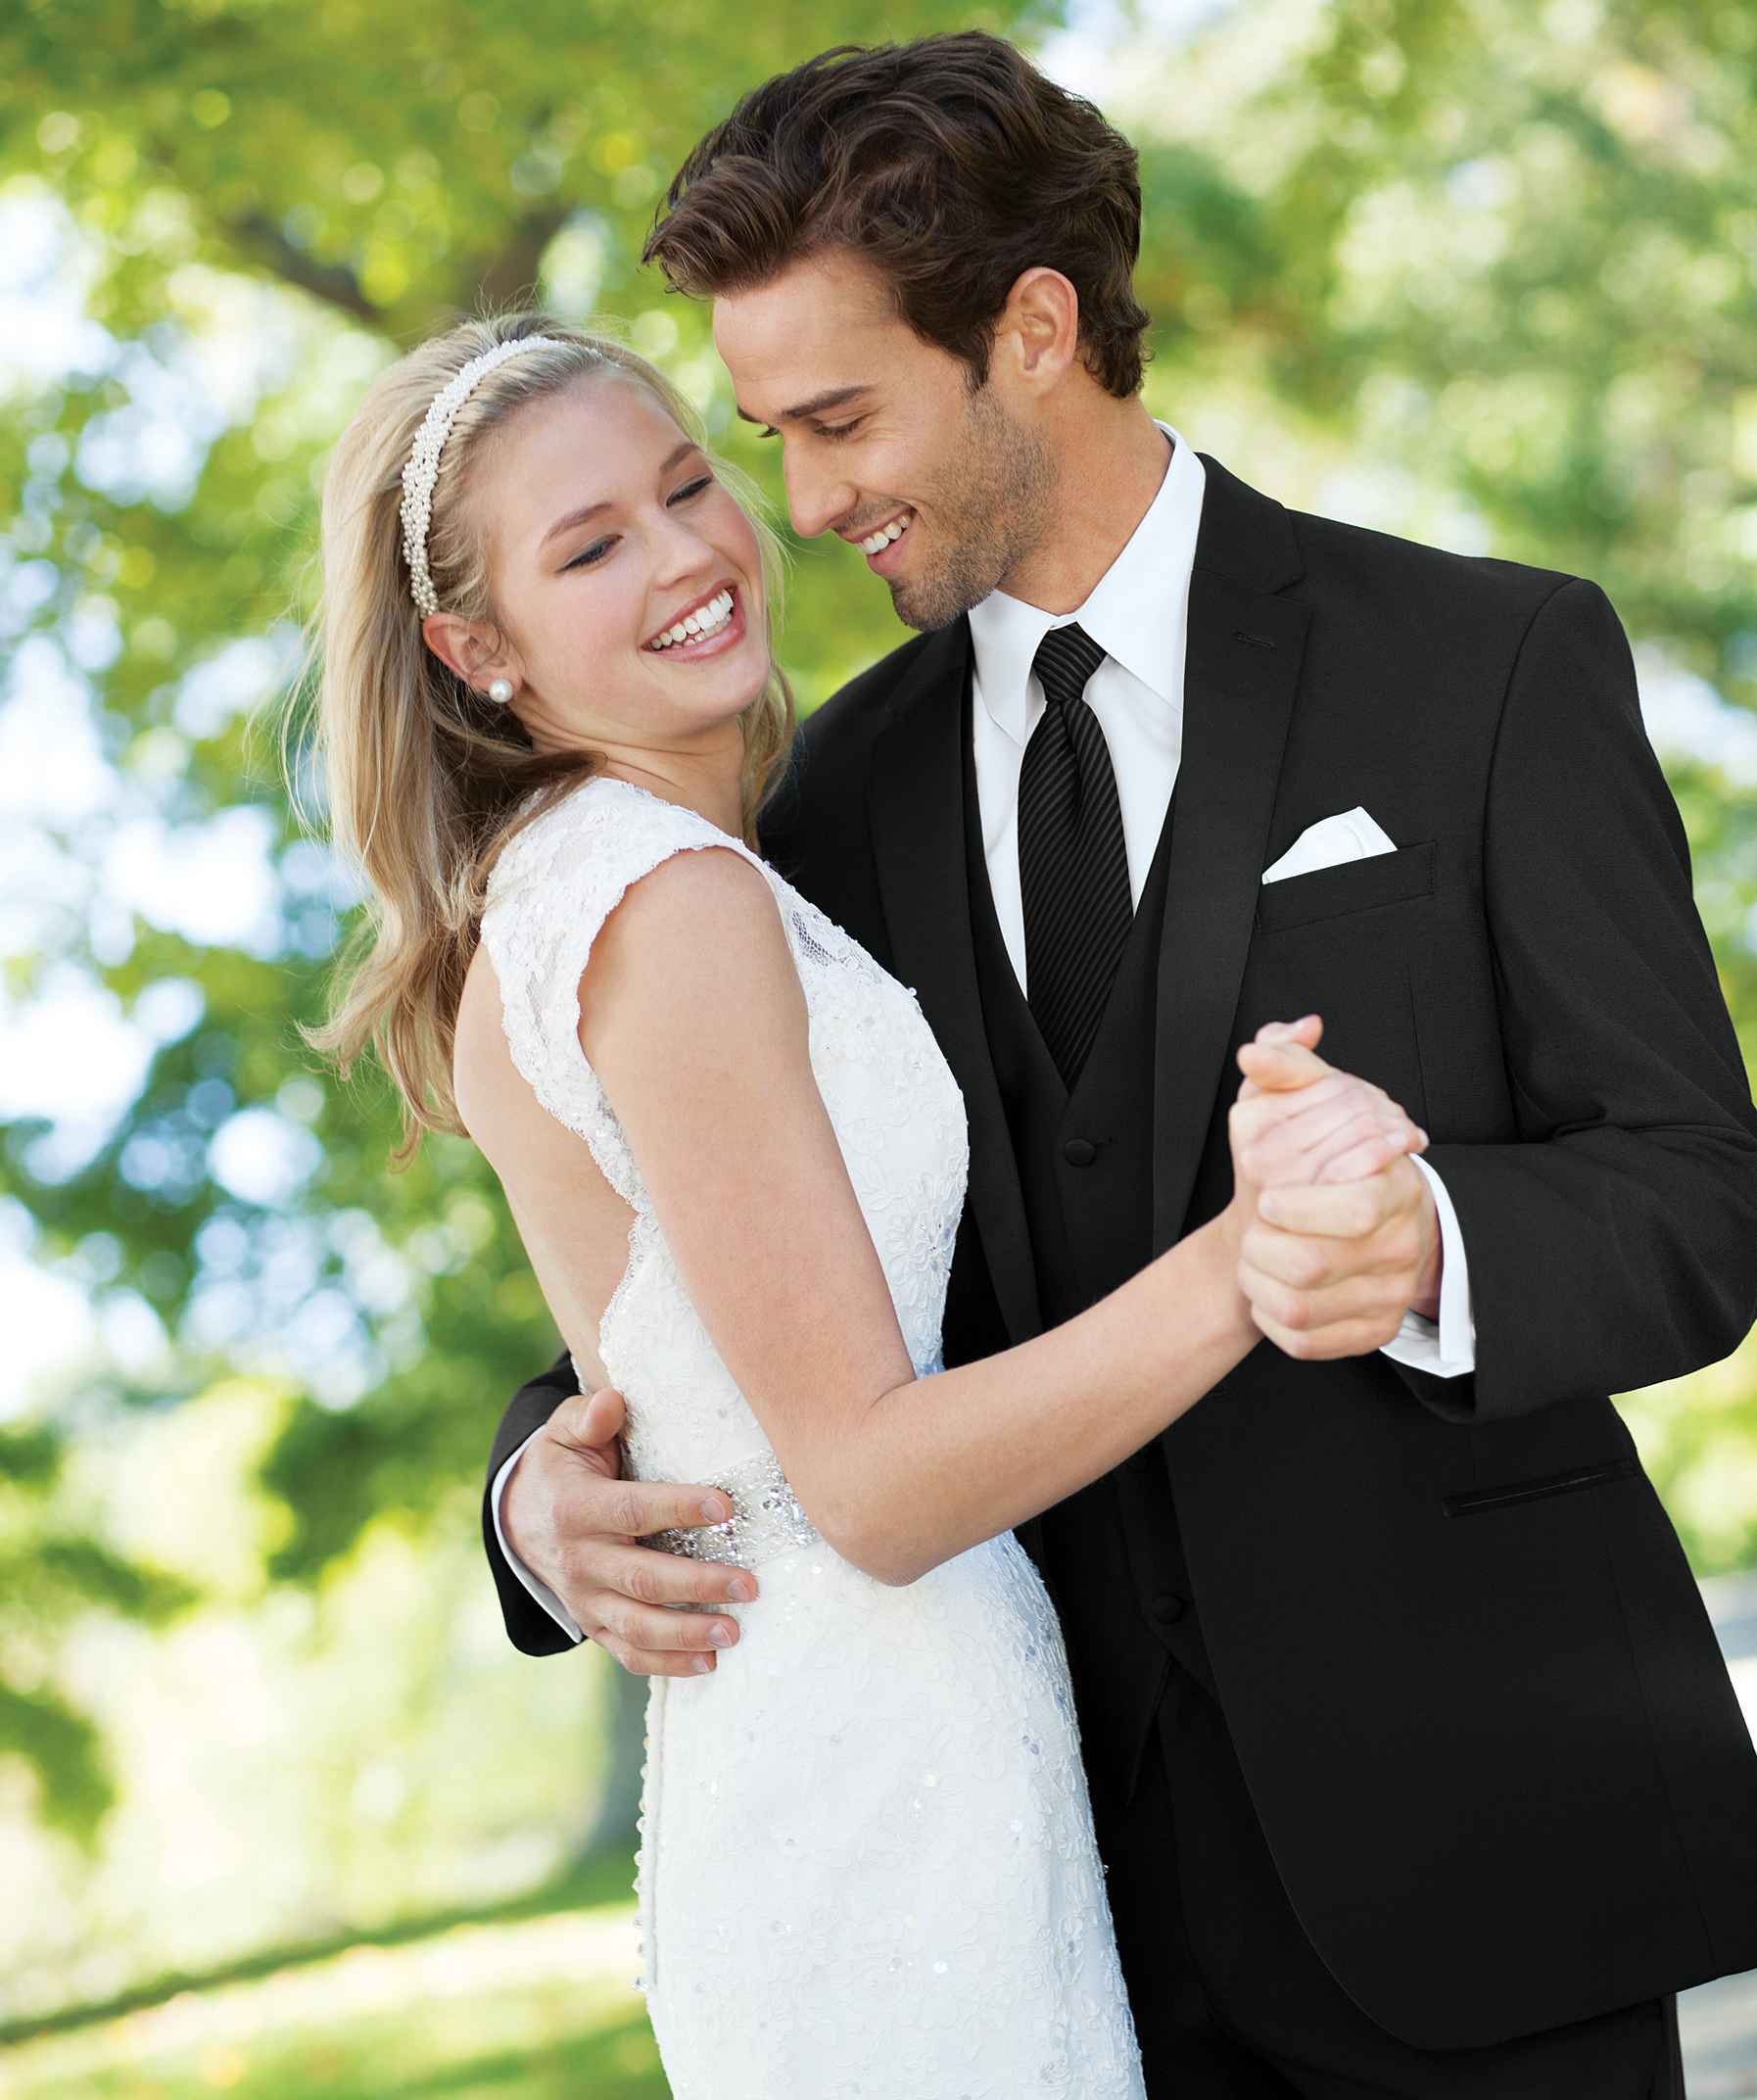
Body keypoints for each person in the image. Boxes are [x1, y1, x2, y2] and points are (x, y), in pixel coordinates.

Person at [484, 31, 1757, 2100]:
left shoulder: (1485, 665)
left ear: (1035, 329)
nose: (800, 506)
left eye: (840, 417)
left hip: (1483, 1859)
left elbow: (1703, 1190)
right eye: (765, 434)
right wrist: (535, 1484)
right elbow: (755, 1265)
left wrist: (1431, 1241)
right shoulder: (809, 823)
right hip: (1044, 1911)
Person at [310, 313, 1428, 2095]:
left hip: (814, 1745)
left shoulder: (565, 893)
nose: (685, 553)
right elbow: (867, 1485)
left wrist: (546, 1489)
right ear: (472, 645)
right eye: (590, 545)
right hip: (885, 1757)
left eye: (689, 484)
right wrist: (1253, 1249)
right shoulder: (670, 900)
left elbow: (670, 1374)